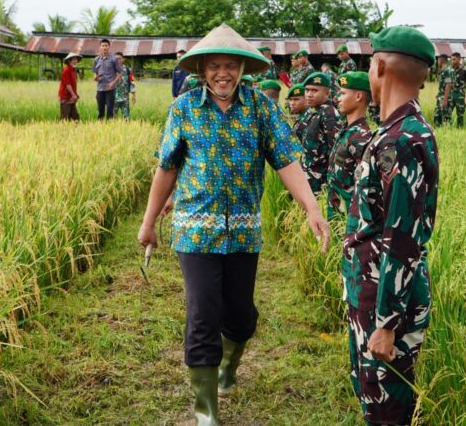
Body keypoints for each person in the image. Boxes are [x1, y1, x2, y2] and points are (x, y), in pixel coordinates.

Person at [137, 24, 329, 426]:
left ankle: (229, 366)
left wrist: (311, 207)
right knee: (202, 313)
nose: (222, 73)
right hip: (195, 231)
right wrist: (149, 221)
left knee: (241, 316)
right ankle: (206, 411)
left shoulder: (261, 108)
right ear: (203, 70)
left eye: (230, 66)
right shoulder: (184, 109)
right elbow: (166, 168)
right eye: (214, 66)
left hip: (243, 232)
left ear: (242, 68)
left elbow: (286, 161)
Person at [344, 25, 438, 425]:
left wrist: (386, 322)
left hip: (386, 299)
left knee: (388, 410)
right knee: (372, 397)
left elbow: (401, 238)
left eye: (369, 62)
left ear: (379, 66)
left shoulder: (402, 140)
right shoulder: (396, 132)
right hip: (373, 288)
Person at [326, 71, 372, 219]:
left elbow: (365, 187)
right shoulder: (347, 131)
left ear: (358, 96)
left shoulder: (361, 137)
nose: (337, 98)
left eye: (343, 94)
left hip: (349, 220)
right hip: (337, 214)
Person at [300, 72, 342, 194]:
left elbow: (335, 151)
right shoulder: (315, 112)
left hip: (319, 181)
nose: (309, 95)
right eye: (307, 90)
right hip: (309, 177)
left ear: (327, 93)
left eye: (314, 91)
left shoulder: (329, 114)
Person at [92, 39, 123, 119]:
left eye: (106, 46)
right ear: (100, 47)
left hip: (110, 89)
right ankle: (100, 128)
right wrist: (95, 77)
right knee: (100, 111)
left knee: (109, 111)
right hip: (100, 88)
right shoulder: (96, 59)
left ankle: (109, 129)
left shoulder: (113, 59)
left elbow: (120, 72)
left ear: (109, 47)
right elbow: (95, 71)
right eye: (103, 46)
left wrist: (113, 83)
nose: (104, 47)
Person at [448, 52, 466, 127]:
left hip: (460, 96)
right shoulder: (449, 70)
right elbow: (447, 83)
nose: (452, 61)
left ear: (459, 59)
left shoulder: (465, 70)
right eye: (451, 59)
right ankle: (448, 131)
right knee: (447, 114)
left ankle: (459, 132)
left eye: (454, 59)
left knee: (460, 116)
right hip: (450, 96)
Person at [59, 52, 81, 121]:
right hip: (65, 96)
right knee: (65, 116)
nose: (75, 61)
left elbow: (73, 84)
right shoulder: (66, 70)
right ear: (69, 61)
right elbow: (68, 85)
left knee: (75, 117)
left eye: (76, 59)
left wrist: (75, 94)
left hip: (71, 96)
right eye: (73, 59)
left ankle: (76, 131)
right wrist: (73, 94)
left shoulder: (73, 70)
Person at [114, 52, 137, 121]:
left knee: (126, 117)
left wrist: (134, 95)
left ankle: (127, 130)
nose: (118, 60)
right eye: (116, 59)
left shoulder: (127, 69)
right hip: (113, 98)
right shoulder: (111, 69)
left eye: (119, 58)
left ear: (123, 59)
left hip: (125, 97)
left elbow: (132, 82)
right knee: (112, 118)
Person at [432, 54, 453, 126]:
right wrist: (439, 93)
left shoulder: (447, 70)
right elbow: (444, 85)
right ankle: (438, 132)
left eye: (437, 60)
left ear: (441, 61)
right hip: (441, 97)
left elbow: (448, 84)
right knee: (437, 116)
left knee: (446, 118)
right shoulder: (443, 70)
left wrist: (445, 99)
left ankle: (448, 133)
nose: (437, 62)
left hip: (444, 98)